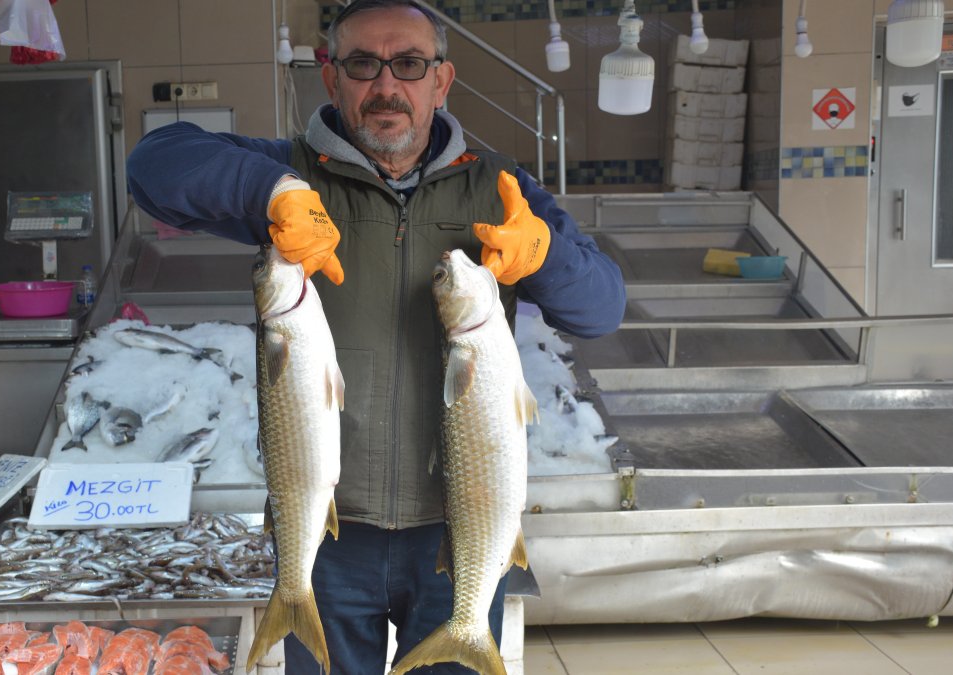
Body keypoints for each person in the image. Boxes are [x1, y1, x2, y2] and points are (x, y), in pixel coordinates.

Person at [126, 1, 626, 672]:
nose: (385, 85)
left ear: (441, 82)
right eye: (362, 64)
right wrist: (271, 189)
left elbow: (602, 310)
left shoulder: (499, 189)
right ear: (331, 80)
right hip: (326, 531)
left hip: (464, 521)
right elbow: (155, 167)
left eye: (409, 64)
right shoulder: (293, 175)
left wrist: (547, 255)